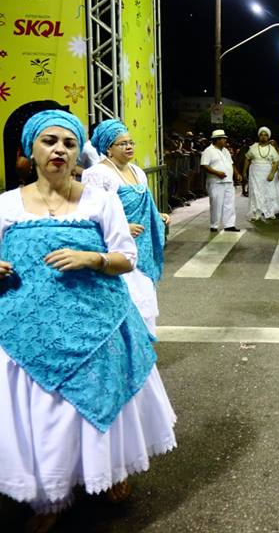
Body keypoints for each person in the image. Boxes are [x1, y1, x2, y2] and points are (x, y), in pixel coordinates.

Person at [0, 110, 176, 526]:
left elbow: (126, 257)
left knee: (95, 402)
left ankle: (107, 471)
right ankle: (50, 496)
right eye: (49, 141)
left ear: (78, 152)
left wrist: (92, 258)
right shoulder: (5, 205)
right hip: (26, 329)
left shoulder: (99, 200)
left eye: (69, 143)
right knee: (44, 411)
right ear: (30, 150)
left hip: (97, 322)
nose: (59, 150)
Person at [83, 120, 169, 337]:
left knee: (145, 295)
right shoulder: (96, 174)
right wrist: (121, 227)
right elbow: (91, 213)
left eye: (130, 142)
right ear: (108, 148)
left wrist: (157, 215)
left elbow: (146, 203)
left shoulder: (138, 171)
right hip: (116, 247)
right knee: (126, 297)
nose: (129, 147)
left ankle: (144, 343)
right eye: (122, 144)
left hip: (142, 246)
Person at [200, 129, 240, 232]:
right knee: (216, 204)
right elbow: (204, 165)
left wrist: (236, 174)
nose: (225, 141)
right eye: (223, 139)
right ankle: (214, 225)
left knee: (229, 204)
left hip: (228, 181)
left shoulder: (225, 151)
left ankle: (229, 225)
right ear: (217, 140)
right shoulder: (208, 151)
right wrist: (217, 173)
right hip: (216, 182)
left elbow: (231, 164)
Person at [244, 127, 279, 221]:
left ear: (268, 137)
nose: (263, 137)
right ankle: (256, 214)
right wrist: (244, 171)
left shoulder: (272, 149)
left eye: (265, 135)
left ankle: (269, 212)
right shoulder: (253, 147)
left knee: (268, 192)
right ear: (259, 136)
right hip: (254, 173)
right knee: (255, 193)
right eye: (261, 135)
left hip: (267, 173)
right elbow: (247, 159)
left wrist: (272, 174)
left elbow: (276, 162)